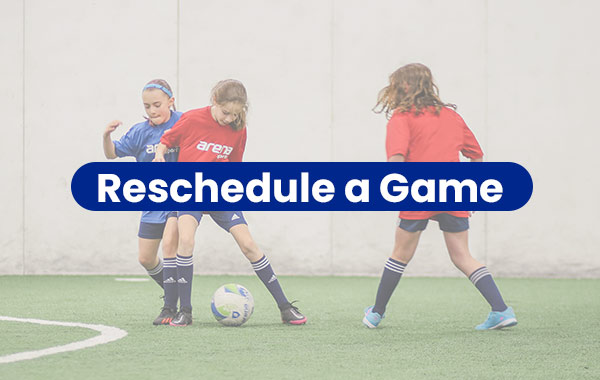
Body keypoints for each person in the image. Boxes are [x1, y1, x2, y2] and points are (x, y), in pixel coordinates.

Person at [363, 63, 517, 330]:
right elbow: (476, 155)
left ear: (405, 86)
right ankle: (501, 310)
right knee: (462, 256)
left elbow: (396, 159)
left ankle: (376, 313)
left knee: (400, 254)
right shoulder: (452, 117)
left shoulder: (402, 118)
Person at [154, 79, 307, 326]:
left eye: (235, 114)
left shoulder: (239, 128)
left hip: (221, 192)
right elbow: (167, 140)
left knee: (248, 244)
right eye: (226, 112)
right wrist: (160, 155)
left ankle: (285, 307)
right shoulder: (193, 119)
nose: (229, 118)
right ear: (214, 101)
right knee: (186, 240)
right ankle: (186, 311)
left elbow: (236, 165)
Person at [102, 79, 182, 325]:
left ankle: (171, 307)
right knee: (146, 259)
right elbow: (111, 153)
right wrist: (106, 135)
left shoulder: (184, 123)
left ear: (171, 101)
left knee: (169, 249)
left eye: (157, 104)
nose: (152, 111)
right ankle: (175, 293)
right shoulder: (140, 131)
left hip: (179, 200)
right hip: (152, 202)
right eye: (147, 106)